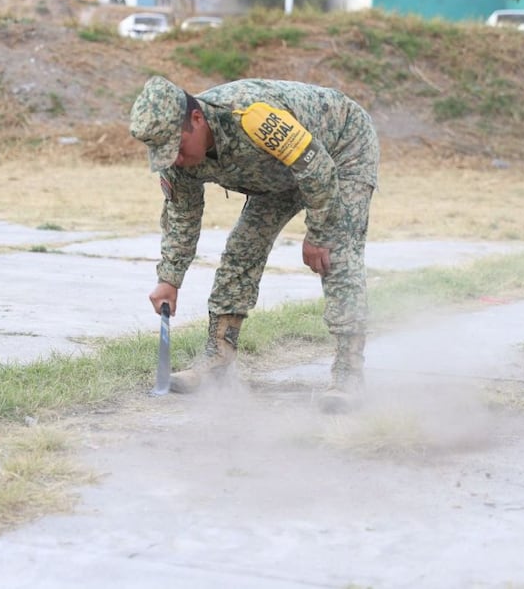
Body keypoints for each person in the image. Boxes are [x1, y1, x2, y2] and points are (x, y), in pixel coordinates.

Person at [129, 75, 380, 413]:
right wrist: (169, 279)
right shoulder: (176, 160)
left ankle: (349, 373)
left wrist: (318, 234)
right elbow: (181, 216)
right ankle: (218, 358)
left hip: (340, 149)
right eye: (163, 153)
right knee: (241, 250)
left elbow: (318, 170)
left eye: (176, 147)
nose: (173, 159)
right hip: (277, 173)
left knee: (335, 253)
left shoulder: (253, 117)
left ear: (197, 119)